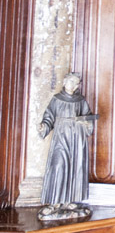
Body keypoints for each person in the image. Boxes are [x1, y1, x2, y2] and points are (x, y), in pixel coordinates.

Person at [39, 73, 95, 206]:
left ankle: (69, 201)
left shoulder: (80, 100)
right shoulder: (57, 99)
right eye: (71, 81)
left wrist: (86, 122)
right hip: (61, 137)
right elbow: (49, 116)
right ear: (64, 82)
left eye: (76, 83)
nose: (73, 85)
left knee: (75, 167)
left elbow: (89, 117)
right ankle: (55, 202)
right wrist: (44, 126)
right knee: (58, 166)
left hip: (76, 139)